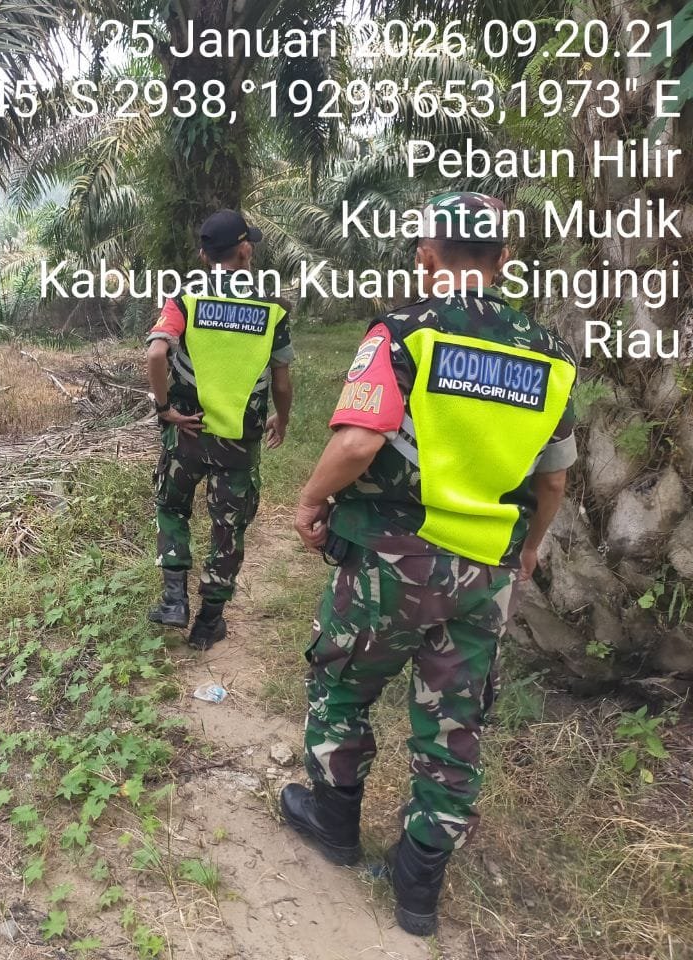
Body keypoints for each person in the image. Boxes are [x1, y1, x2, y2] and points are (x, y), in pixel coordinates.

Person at [280, 193, 577, 936]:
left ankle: (333, 823)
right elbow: (553, 480)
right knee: (454, 720)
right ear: (503, 259)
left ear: (426, 255)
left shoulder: (403, 332)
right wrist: (529, 546)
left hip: (392, 560)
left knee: (342, 684)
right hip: (487, 572)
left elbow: (358, 442)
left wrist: (311, 500)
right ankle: (418, 886)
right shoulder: (551, 355)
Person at [145, 209, 294, 649]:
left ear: (203, 255)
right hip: (239, 441)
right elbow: (281, 379)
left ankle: (174, 600)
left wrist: (165, 409)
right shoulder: (272, 308)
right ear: (245, 250)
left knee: (172, 507)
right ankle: (208, 623)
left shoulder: (184, 300)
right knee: (228, 527)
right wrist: (282, 418)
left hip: (187, 433)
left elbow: (156, 353)